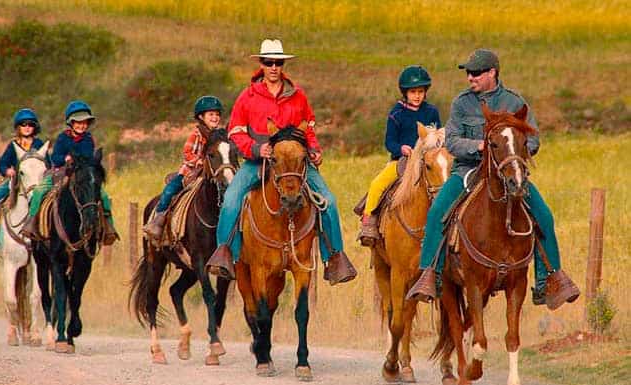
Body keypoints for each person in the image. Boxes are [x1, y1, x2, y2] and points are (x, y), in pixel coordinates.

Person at [405, 49, 579, 309]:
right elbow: (451, 141)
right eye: (468, 74)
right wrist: (478, 146)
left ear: (492, 73)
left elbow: (532, 139)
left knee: (544, 216)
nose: (470, 78)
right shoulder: (461, 104)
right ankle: (432, 275)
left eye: (475, 73)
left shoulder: (515, 103)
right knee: (437, 212)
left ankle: (549, 280)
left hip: (508, 172)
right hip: (467, 170)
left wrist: (513, 154)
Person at [205, 38, 357, 285]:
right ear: (262, 65)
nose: (274, 67)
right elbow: (235, 132)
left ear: (283, 65)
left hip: (295, 165)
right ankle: (225, 254)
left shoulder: (298, 96)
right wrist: (256, 148)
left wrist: (315, 150)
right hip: (258, 162)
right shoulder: (247, 97)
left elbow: (308, 130)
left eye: (278, 62)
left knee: (329, 200)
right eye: (269, 62)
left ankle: (335, 259)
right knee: (232, 198)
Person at [358, 66, 441, 246]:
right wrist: (401, 149)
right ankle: (369, 220)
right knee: (377, 184)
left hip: (427, 161)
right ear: (405, 93)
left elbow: (438, 136)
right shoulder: (397, 113)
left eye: (420, 91)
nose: (417, 96)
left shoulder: (431, 112)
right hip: (402, 161)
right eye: (413, 92)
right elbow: (390, 142)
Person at [21, 100, 119, 245]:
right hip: (61, 172)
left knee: (103, 196)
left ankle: (108, 228)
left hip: (82, 174)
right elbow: (55, 157)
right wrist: (65, 158)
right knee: (39, 191)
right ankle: (32, 222)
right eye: (78, 122)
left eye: (85, 122)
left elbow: (88, 157)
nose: (82, 125)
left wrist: (85, 162)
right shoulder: (62, 138)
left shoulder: (88, 139)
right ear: (71, 123)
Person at [143, 95, 225, 240]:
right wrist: (199, 161)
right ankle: (158, 219)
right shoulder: (196, 134)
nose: (215, 117)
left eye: (217, 114)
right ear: (201, 116)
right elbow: (187, 152)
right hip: (191, 173)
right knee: (170, 190)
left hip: (212, 174)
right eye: (211, 114)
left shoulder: (220, 136)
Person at [0, 108, 49, 247]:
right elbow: (3, 163)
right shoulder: (13, 144)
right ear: (18, 127)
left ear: (35, 127)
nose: (27, 127)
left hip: (36, 181)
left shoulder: (39, 144)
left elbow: (48, 162)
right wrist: (7, 171)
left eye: (30, 124)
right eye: (23, 124)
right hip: (16, 180)